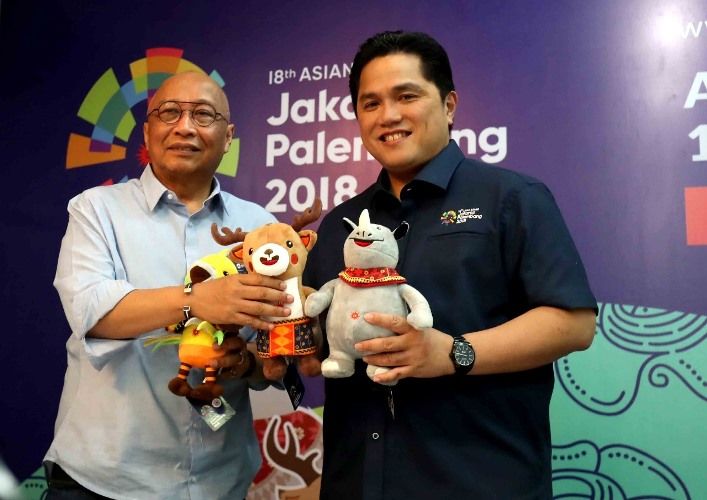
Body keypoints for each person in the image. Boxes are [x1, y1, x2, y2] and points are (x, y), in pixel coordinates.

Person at [303, 31, 597, 499]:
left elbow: (573, 323)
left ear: (449, 105)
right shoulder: (340, 224)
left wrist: (453, 353)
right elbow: (318, 336)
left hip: (478, 481)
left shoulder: (512, 198)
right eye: (371, 103)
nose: (389, 115)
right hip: (356, 482)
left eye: (407, 96)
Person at [45, 72, 294, 499]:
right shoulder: (96, 209)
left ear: (228, 137)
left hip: (220, 482)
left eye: (203, 115)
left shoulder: (260, 226)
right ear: (147, 132)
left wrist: (245, 362)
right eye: (170, 113)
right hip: (104, 482)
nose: (185, 127)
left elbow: (278, 344)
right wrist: (197, 301)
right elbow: (90, 311)